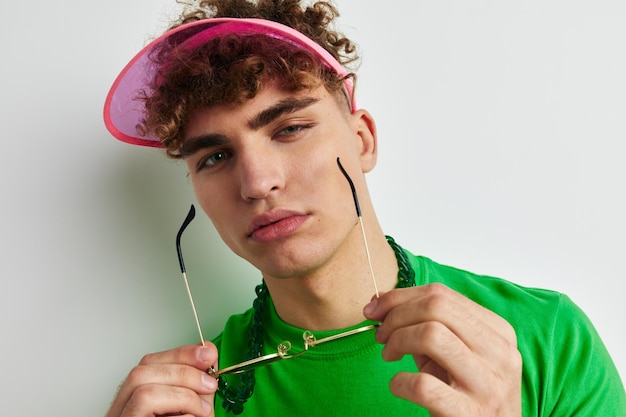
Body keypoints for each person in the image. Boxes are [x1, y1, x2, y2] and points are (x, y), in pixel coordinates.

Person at [102, 1, 625, 416]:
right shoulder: (189, 401)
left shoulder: (544, 337)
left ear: (363, 141)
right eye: (216, 156)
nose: (258, 183)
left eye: (289, 129)